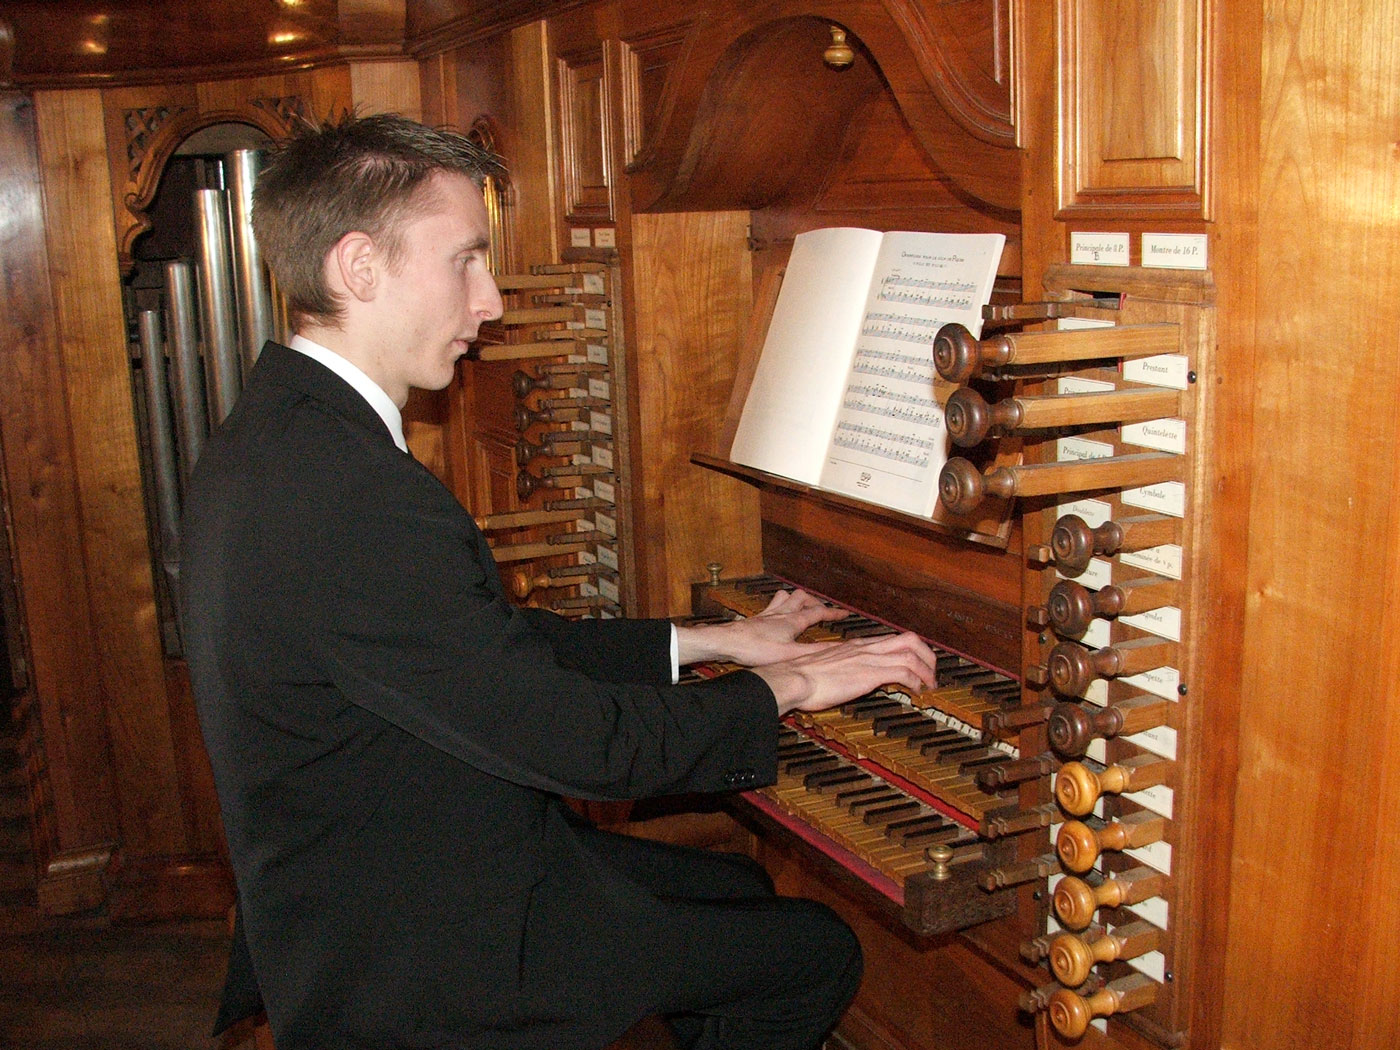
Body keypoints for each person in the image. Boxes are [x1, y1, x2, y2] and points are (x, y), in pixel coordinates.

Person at [179, 112, 940, 1050]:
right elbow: (579, 743)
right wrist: (795, 682)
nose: (490, 300)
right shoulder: (353, 496)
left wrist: (705, 642)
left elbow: (473, 651)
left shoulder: (281, 437)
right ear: (358, 268)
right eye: (464, 259)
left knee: (737, 890)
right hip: (421, 945)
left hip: (388, 869)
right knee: (812, 954)